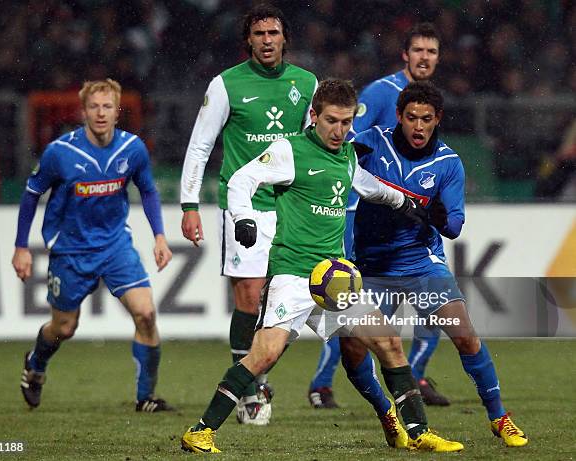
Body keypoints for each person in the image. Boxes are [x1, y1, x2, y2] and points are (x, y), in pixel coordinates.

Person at [180, 79, 464, 454]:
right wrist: (244, 219)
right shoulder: (289, 150)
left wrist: (403, 203)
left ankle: (416, 431)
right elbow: (241, 180)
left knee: (388, 342)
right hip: (294, 276)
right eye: (332, 121)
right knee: (265, 354)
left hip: (334, 280)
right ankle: (200, 431)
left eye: (347, 122)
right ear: (314, 115)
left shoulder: (346, 154)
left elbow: (368, 185)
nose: (339, 130)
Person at [348, 81, 528, 447]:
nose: (418, 126)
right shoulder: (371, 142)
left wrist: (438, 215)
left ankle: (499, 417)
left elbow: (455, 227)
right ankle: (388, 414)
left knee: (463, 333)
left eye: (425, 119)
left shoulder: (447, 163)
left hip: (420, 264)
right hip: (372, 266)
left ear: (437, 119)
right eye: (411, 117)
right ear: (399, 116)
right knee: (352, 349)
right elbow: (336, 155)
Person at [180, 4, 318, 425]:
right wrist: (189, 205)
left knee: (290, 302)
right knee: (249, 297)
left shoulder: (306, 83)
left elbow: (319, 141)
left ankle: (256, 372)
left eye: (273, 33)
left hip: (293, 207)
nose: (267, 40)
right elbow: (200, 145)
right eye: (259, 34)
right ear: (249, 40)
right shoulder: (226, 85)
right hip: (246, 207)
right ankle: (251, 391)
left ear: (284, 38)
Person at [308, 22, 450, 407]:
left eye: (432, 51)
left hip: (409, 217)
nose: (425, 57)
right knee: (351, 303)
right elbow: (345, 143)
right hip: (365, 214)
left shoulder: (426, 100)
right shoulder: (380, 93)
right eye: (418, 50)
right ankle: (321, 384)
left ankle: (414, 377)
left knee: (436, 304)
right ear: (405, 54)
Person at [13, 79, 174, 413]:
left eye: (107, 107)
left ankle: (146, 397)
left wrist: (159, 235)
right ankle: (36, 364)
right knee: (64, 327)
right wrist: (21, 247)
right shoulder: (61, 152)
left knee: (146, 314)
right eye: (94, 107)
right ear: (83, 111)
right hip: (70, 251)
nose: (101, 113)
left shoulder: (132, 149)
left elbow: (147, 190)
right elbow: (31, 194)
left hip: (115, 246)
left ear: (118, 112)